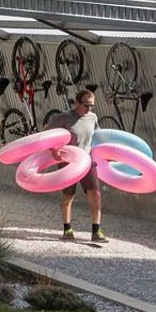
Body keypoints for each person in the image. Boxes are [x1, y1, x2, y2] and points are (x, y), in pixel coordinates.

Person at [46, 86, 106, 244]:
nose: (89, 108)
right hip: (68, 162)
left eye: (92, 105)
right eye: (86, 105)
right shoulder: (64, 118)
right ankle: (67, 228)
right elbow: (47, 134)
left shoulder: (93, 117)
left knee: (95, 193)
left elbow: (98, 137)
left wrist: (106, 155)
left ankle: (96, 230)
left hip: (87, 160)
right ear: (77, 103)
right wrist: (54, 150)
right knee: (68, 196)